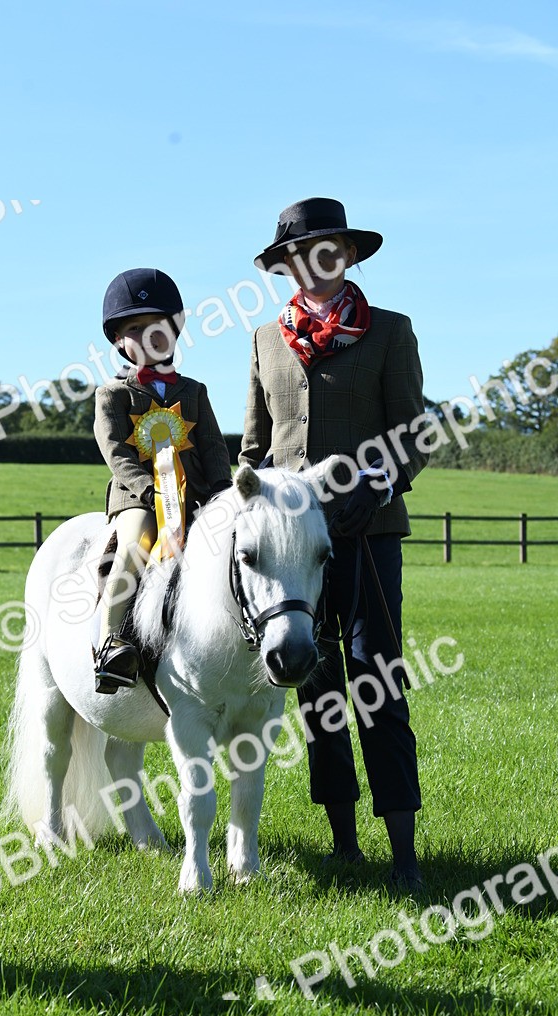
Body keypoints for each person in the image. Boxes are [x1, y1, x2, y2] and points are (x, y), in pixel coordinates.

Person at [240, 197, 428, 889]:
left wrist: (373, 488)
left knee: (377, 682)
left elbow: (414, 432)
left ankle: (404, 852)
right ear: (287, 265)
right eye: (301, 254)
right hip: (296, 545)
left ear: (346, 255)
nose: (316, 262)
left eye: (330, 249)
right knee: (316, 688)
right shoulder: (264, 339)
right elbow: (256, 446)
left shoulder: (390, 332)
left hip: (368, 530)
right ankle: (344, 844)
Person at [93, 267, 232, 693]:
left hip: (197, 496)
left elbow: (212, 446)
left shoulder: (194, 390)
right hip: (138, 498)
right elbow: (115, 450)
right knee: (135, 543)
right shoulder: (113, 395)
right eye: (136, 328)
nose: (150, 335)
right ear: (119, 340)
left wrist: (224, 494)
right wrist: (148, 490)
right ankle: (109, 642)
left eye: (159, 326)